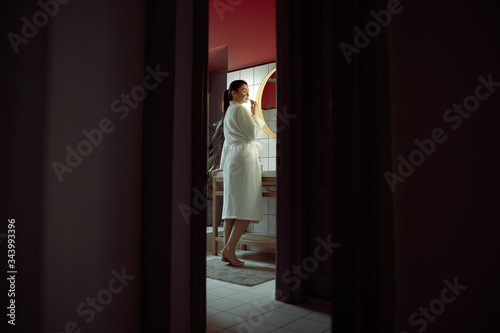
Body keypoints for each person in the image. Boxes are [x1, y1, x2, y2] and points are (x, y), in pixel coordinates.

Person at [218, 80, 265, 267]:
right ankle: (229, 250)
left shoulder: (229, 111)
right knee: (245, 205)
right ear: (234, 93)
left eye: (248, 90)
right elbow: (253, 134)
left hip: (233, 160)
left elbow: (228, 143)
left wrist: (223, 167)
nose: (247, 93)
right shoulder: (241, 110)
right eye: (243, 90)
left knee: (232, 209)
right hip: (244, 159)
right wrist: (256, 114)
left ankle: (225, 252)